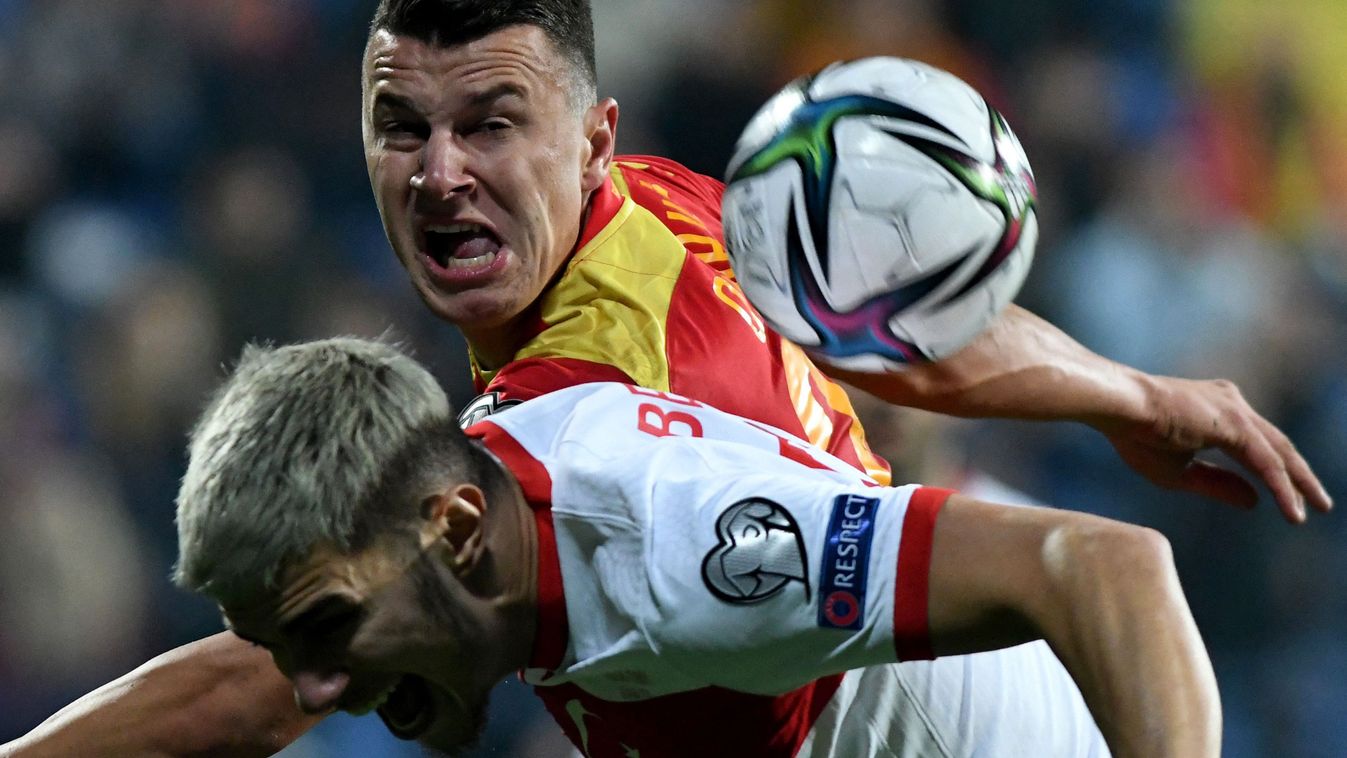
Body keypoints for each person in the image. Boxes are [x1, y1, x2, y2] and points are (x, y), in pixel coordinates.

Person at [0, 0, 1328, 755]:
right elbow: (889, 324)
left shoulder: (625, 488)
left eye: (488, 123)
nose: (437, 170)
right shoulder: (651, 210)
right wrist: (1130, 395)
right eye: (400, 128)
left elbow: (269, 675)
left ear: (591, 139)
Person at [176, 339, 1222, 756]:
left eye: (326, 629)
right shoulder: (484, 449)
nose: (306, 692)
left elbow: (1107, 563)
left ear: (453, 531)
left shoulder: (687, 559)